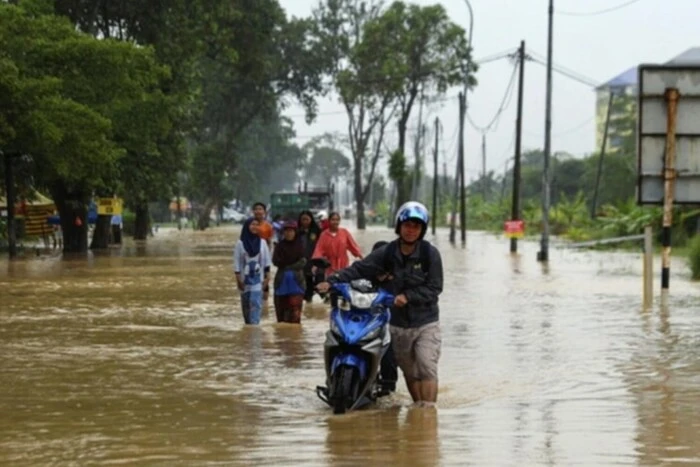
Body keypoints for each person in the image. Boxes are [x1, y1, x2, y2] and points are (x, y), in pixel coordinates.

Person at [317, 201, 443, 407]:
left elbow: (435, 287)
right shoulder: (387, 252)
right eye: (407, 225)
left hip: (425, 322)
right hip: (397, 324)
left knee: (426, 365)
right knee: (410, 372)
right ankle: (419, 413)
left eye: (416, 227)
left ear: (422, 230)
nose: (411, 231)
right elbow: (360, 268)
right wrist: (331, 281)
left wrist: (408, 296)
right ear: (399, 226)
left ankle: (427, 416)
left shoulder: (430, 254)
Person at [370, 240, 398, 395]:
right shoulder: (365, 276)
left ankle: (389, 386)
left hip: (389, 324)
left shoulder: (398, 279)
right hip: (366, 324)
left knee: (389, 355)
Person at [233, 218, 271, 325]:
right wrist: (238, 279)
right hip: (244, 280)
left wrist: (267, 277)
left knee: (255, 303)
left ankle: (255, 328)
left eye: (257, 224)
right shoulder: (240, 243)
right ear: (247, 227)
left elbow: (267, 261)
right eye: (252, 224)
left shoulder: (262, 242)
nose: (255, 227)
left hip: (258, 279)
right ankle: (249, 328)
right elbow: (236, 262)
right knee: (246, 306)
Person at [272, 221, 307, 323]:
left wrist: (287, 265)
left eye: (291, 231)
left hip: (297, 285)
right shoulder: (279, 246)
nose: (289, 233)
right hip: (281, 284)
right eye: (286, 231)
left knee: (295, 317)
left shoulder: (300, 246)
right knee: (281, 318)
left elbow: (303, 262)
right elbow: (275, 261)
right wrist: (290, 263)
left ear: (295, 232)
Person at [311, 212, 363, 279]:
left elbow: (353, 245)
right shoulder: (324, 235)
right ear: (329, 221)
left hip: (343, 263)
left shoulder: (344, 232)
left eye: (337, 220)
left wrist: (362, 258)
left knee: (343, 281)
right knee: (331, 283)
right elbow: (319, 250)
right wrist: (315, 265)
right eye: (333, 220)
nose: (335, 222)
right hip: (330, 265)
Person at [297, 210, 321, 303]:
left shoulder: (317, 231)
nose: (305, 222)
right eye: (303, 219)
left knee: (315, 280)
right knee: (303, 281)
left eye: (307, 219)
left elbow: (321, 245)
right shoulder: (297, 232)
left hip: (314, 260)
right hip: (301, 261)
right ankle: (307, 299)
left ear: (311, 219)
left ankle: (311, 298)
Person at [251, 202, 274, 300]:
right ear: (253, 211)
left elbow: (269, 242)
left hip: (263, 256)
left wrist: (268, 256)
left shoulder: (268, 226)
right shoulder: (249, 224)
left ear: (264, 212)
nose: (258, 211)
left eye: (260, 209)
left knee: (265, 279)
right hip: (251, 256)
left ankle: (265, 304)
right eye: (256, 209)